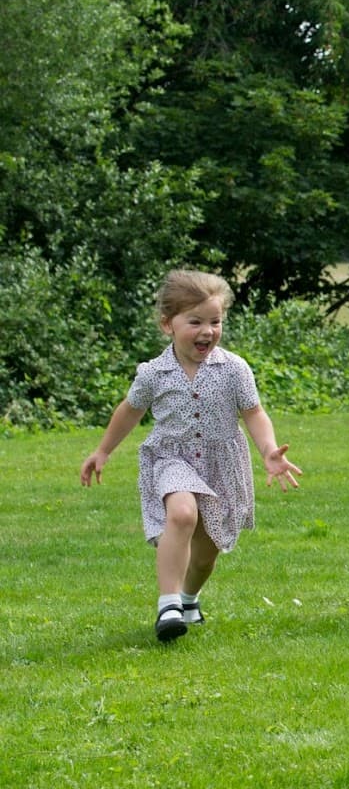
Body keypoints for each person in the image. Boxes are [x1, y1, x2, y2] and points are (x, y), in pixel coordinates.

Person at [79, 270, 301, 642]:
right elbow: (130, 410)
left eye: (215, 321)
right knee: (181, 514)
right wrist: (102, 450)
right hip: (171, 458)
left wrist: (268, 451)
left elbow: (253, 413)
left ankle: (188, 598)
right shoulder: (155, 373)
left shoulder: (234, 369)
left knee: (205, 555)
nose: (207, 331)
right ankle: (168, 606)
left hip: (220, 465)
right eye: (195, 322)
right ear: (168, 324)